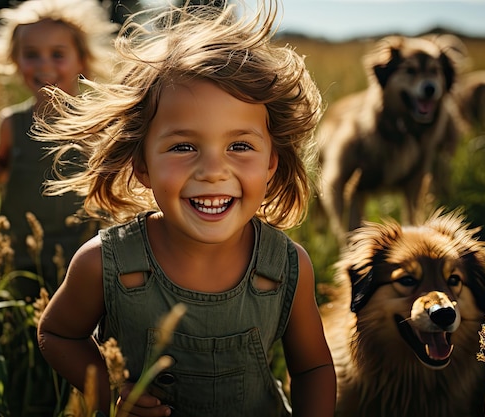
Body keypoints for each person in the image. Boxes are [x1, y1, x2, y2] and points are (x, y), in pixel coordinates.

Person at [35, 1, 336, 416]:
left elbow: (314, 367)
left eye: (240, 146)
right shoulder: (105, 262)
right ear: (142, 164)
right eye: (183, 146)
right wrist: (111, 390)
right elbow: (57, 334)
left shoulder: (285, 266)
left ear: (271, 162)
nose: (213, 171)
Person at [0, 0, 119, 298]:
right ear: (15, 60)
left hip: (85, 255)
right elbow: (3, 172)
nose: (44, 64)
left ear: (81, 60)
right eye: (31, 54)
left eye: (57, 54)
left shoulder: (99, 121)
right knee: (27, 326)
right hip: (23, 253)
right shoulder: (12, 123)